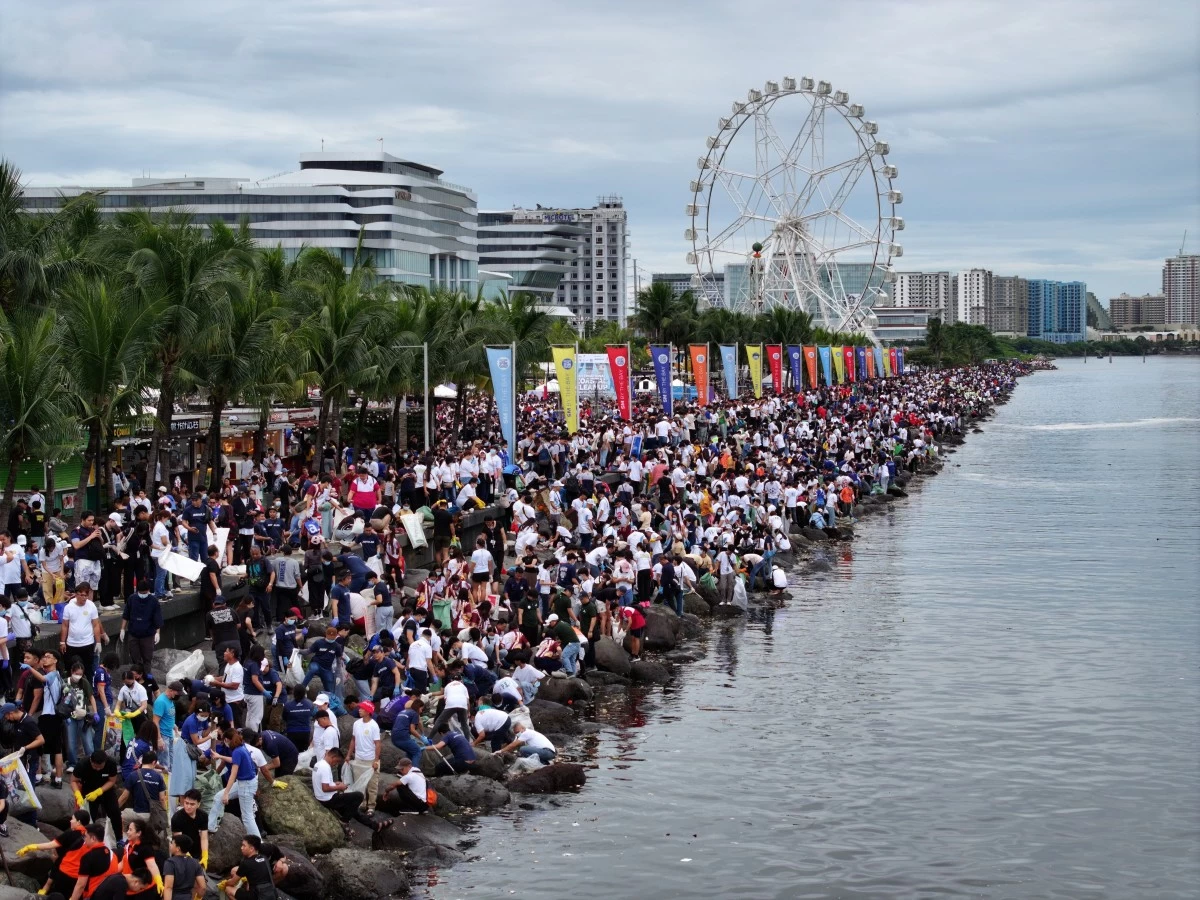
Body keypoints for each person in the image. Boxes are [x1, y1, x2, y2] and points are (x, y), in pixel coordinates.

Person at [311, 746, 391, 832]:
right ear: (332, 757)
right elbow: (325, 788)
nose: (336, 764)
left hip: (321, 797)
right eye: (336, 761)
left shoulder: (318, 764)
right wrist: (340, 787)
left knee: (353, 811)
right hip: (328, 799)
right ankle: (344, 821)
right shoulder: (325, 767)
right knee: (358, 796)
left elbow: (321, 783)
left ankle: (375, 826)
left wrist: (335, 784)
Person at [207, 728, 261, 838]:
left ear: (227, 739)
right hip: (245, 783)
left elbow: (233, 774)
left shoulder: (237, 751)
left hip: (246, 785)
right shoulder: (241, 747)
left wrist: (226, 793)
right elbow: (233, 760)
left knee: (247, 817)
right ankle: (210, 826)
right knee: (218, 797)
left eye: (224, 741)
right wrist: (220, 756)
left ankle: (258, 842)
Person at [72, 750, 123, 848]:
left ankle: (119, 839)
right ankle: (85, 840)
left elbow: (112, 781)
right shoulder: (82, 764)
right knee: (89, 817)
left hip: (106, 790)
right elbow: (74, 780)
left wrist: (99, 791)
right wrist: (77, 794)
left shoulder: (111, 763)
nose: (98, 769)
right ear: (91, 761)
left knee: (115, 812)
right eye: (95, 766)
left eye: (100, 767)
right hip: (88, 791)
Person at [60, 583, 105, 677]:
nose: (84, 598)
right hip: (72, 643)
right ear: (76, 595)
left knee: (89, 669)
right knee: (70, 668)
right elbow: (65, 625)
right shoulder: (69, 607)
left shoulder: (91, 606)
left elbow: (96, 624)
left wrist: (98, 642)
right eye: (82, 595)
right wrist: (62, 642)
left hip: (87, 643)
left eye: (86, 595)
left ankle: (89, 689)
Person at [346, 701, 381, 817]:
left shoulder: (373, 725)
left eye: (362, 708)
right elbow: (353, 740)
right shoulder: (356, 723)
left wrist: (376, 760)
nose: (359, 710)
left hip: (370, 759)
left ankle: (371, 806)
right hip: (359, 758)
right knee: (360, 783)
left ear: (368, 711)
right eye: (360, 708)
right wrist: (348, 754)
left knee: (372, 785)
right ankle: (362, 803)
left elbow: (378, 744)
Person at [120, 579, 163, 669]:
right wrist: (122, 629)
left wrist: (157, 633)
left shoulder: (153, 601)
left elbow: (157, 619)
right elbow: (126, 615)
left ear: (148, 591)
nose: (143, 595)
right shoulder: (132, 599)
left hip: (148, 635)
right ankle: (137, 677)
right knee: (135, 658)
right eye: (141, 593)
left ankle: (147, 677)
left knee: (147, 659)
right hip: (133, 634)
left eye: (144, 593)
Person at [170, 789, 209, 874]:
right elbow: (178, 841)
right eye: (186, 803)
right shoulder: (177, 818)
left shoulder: (203, 816)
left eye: (192, 804)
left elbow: (204, 837)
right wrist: (188, 856)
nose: (188, 806)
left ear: (198, 804)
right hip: (180, 852)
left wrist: (205, 854)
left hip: (196, 850)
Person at [224, 834, 275, 900]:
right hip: (271, 895)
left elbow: (233, 882)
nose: (241, 848)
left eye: (244, 846)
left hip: (258, 896)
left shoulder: (246, 863)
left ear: (251, 849)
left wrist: (225, 883)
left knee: (228, 889)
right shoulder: (264, 858)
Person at [161, 833, 206, 900]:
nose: (170, 845)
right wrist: (198, 897)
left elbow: (168, 887)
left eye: (172, 843)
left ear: (178, 848)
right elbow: (202, 887)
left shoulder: (170, 862)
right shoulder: (195, 863)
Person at [389, 697, 425, 766]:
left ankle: (403, 770)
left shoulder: (403, 711)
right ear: (418, 707)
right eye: (421, 709)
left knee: (410, 751)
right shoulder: (414, 713)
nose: (421, 711)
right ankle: (414, 773)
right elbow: (412, 729)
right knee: (417, 751)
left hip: (394, 736)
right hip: (402, 736)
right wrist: (422, 737)